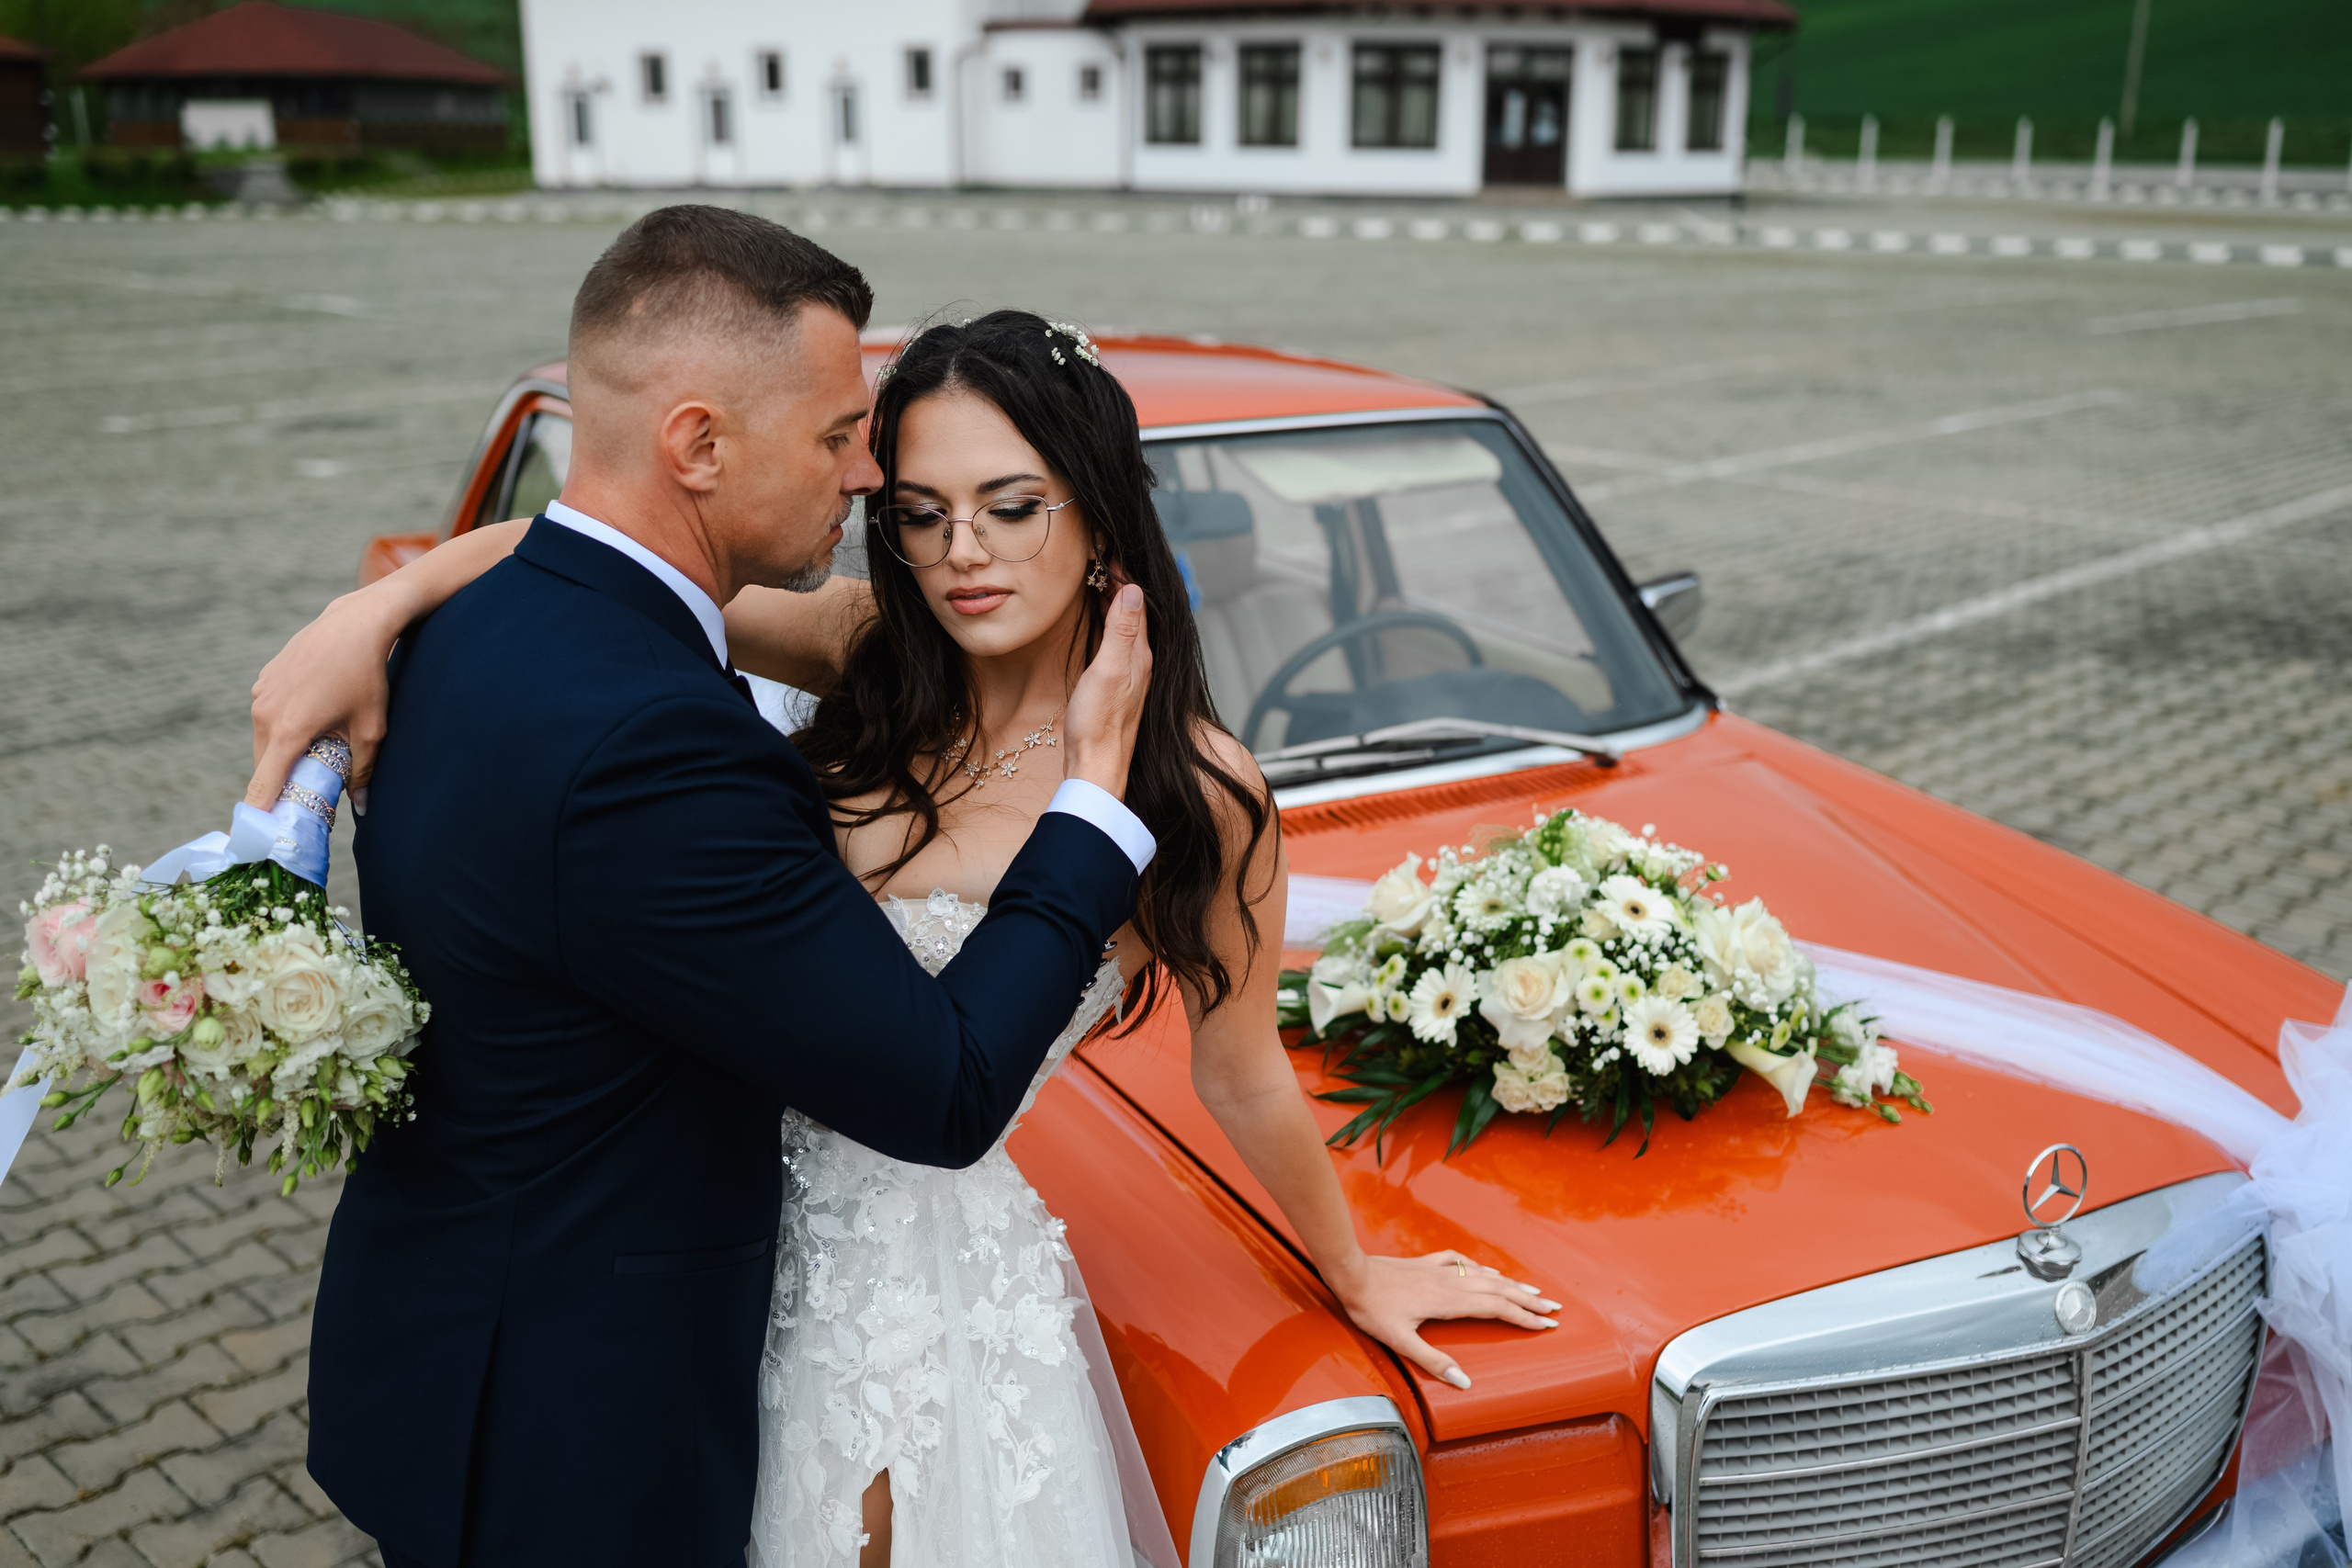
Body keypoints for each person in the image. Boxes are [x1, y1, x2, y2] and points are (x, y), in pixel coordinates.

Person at [253, 291, 1564, 1561]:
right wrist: (368, 613)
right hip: (697, 1239)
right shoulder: (872, 645)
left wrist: (1353, 1269)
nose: (963, 554)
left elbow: (1240, 1067)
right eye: (922, 513)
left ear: (1101, 519)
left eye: (1010, 508)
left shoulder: (1195, 790)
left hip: (912, 1290)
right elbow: (590, 556)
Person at [272, 209, 1161, 1568]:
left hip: (453, 1349)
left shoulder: (471, 636)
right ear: (696, 444)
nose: (870, 479)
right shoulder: (666, 750)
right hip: (576, 1442)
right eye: (837, 438)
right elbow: (945, 1090)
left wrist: (375, 605)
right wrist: (1095, 797)